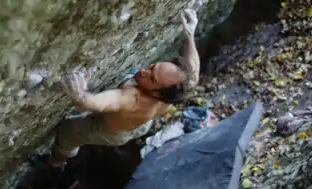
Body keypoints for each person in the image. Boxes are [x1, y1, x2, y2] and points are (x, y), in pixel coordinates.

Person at [45, 9, 201, 172]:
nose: (144, 71)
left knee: (69, 131)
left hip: (110, 130)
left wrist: (79, 94)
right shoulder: (178, 88)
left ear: (156, 93)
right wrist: (190, 34)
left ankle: (56, 163)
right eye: (153, 66)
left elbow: (96, 104)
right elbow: (193, 72)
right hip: (140, 125)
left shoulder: (131, 99)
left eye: (152, 78)